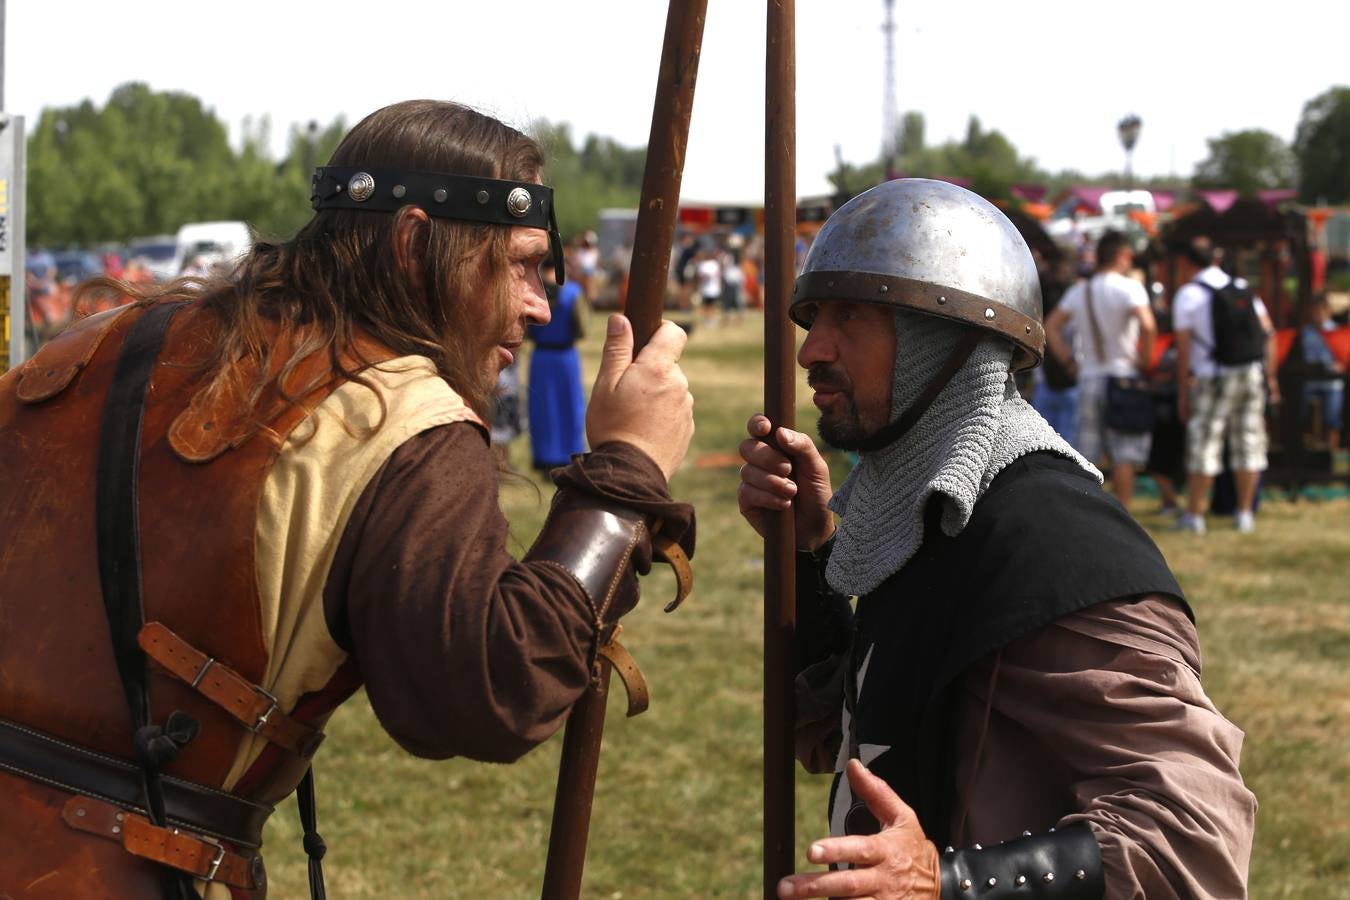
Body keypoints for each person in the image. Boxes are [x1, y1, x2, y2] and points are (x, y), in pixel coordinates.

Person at [0, 99, 695, 898]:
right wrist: (627, 470)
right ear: (412, 243)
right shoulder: (397, 420)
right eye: (521, 264)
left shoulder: (104, 339)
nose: (539, 304)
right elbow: (488, 690)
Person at [737, 179, 1255, 900]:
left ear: (941, 337)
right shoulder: (930, 511)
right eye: (814, 316)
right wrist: (812, 545)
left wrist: (949, 882)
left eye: (850, 315)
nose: (810, 349)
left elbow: (1192, 832)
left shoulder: (1051, 542)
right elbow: (862, 728)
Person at [1172, 237, 1279, 534]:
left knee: (1205, 444)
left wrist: (1183, 390)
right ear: (1215, 259)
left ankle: (1194, 516)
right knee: (1249, 442)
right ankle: (1244, 514)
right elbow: (1269, 333)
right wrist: (1270, 377)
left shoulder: (1189, 295)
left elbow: (1184, 349)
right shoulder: (1243, 288)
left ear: (1185, 262)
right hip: (1251, 373)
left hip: (1212, 375)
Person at [1045, 230, 1157, 508]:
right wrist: (1144, 359)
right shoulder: (1129, 288)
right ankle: (1125, 510)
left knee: (1088, 451)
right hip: (1123, 376)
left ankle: (1088, 508)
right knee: (1124, 453)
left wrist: (1070, 361)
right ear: (1121, 255)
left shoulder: (1080, 290)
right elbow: (1148, 325)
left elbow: (1051, 326)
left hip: (1089, 376)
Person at [527, 255, 589, 471]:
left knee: (542, 407)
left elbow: (527, 329)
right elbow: (582, 328)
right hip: (565, 357)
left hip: (542, 357)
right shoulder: (573, 292)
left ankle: (545, 455)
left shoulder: (534, 291)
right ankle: (569, 453)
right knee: (569, 405)